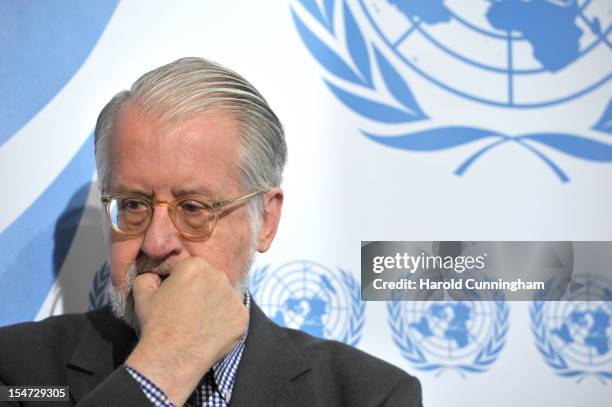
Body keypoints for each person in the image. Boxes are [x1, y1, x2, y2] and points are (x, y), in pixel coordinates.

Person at [0, 57, 422, 406]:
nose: (156, 242)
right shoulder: (18, 369)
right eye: (133, 205)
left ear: (266, 220)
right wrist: (161, 368)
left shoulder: (367, 395)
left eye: (193, 208)